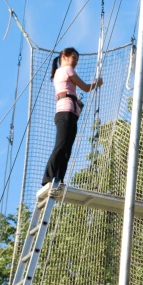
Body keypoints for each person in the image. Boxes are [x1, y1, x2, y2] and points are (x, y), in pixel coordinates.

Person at [42, 47, 104, 187]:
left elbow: (69, 90)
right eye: (73, 58)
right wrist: (98, 82)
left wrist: (77, 101)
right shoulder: (67, 70)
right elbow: (86, 88)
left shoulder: (60, 73)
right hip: (66, 111)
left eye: (77, 59)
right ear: (64, 56)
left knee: (67, 147)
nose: (75, 62)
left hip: (69, 112)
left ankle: (58, 178)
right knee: (62, 145)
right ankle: (49, 177)